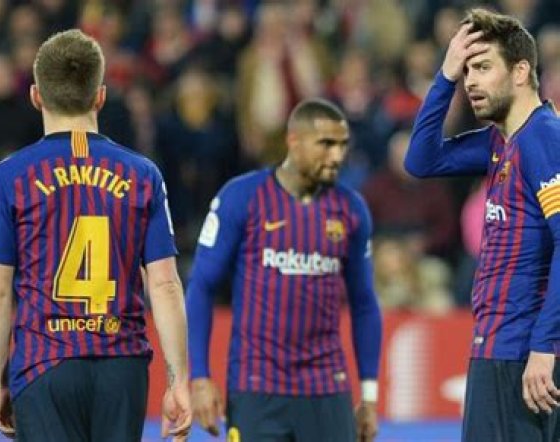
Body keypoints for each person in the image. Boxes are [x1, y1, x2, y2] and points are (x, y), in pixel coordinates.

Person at [0, 29, 192, 441]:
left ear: (36, 96)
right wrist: (178, 379)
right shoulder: (143, 174)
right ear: (100, 97)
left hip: (43, 364)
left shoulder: (9, 175)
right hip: (121, 366)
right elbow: (165, 284)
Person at [187, 98, 382, 442]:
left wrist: (368, 396)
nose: (337, 156)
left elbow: (364, 302)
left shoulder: (351, 210)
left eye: (342, 145)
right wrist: (199, 377)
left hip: (327, 387)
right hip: (256, 387)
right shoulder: (242, 197)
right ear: (294, 141)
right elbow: (201, 286)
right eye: (326, 144)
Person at [405, 8, 560, 441]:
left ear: (520, 71)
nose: (471, 81)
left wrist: (544, 347)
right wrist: (445, 76)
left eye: (484, 67)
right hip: (495, 348)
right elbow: (421, 160)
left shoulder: (544, 138)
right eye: (467, 70)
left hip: (526, 355)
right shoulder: (500, 143)